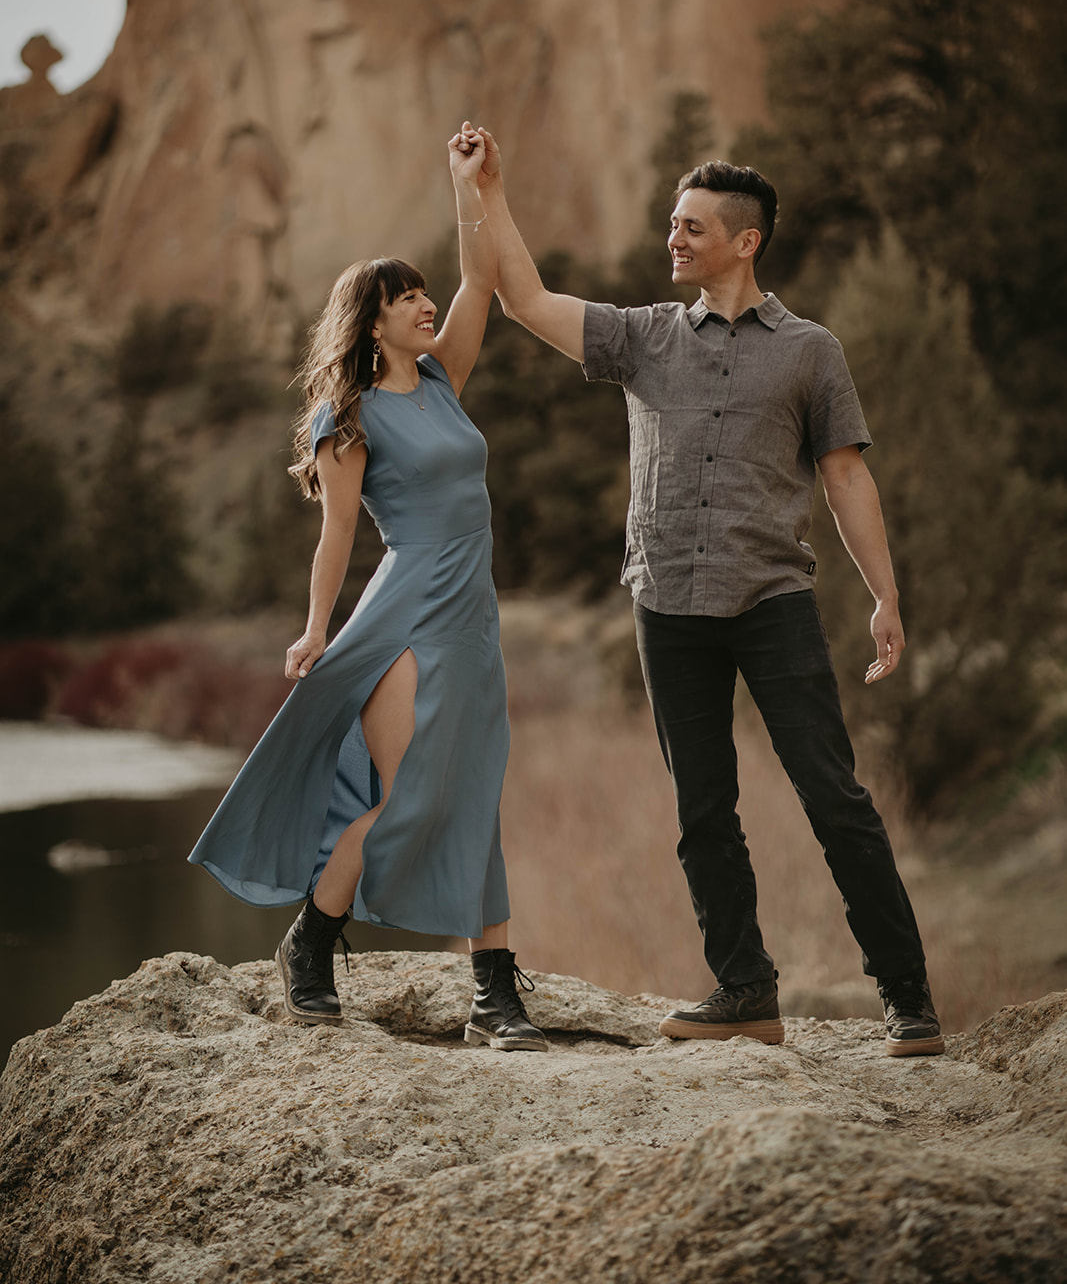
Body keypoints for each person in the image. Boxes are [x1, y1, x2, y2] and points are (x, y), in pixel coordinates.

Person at [454, 120, 943, 1059]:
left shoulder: (809, 351)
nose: (671, 238)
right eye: (670, 223)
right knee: (701, 811)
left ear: (745, 240)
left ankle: (908, 998)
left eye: (690, 227)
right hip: (664, 606)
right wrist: (487, 189)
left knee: (833, 797)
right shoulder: (641, 338)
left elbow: (845, 478)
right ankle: (744, 989)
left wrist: (883, 596)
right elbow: (521, 297)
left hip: (772, 604)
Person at [189, 128, 548, 1053]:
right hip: (404, 610)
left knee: (475, 789)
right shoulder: (345, 416)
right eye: (406, 296)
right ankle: (310, 945)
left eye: (422, 291)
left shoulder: (441, 380)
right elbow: (338, 533)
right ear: (371, 318)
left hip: (473, 615)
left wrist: (471, 185)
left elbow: (481, 282)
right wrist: (315, 630)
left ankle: (494, 999)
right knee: (406, 795)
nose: (427, 303)